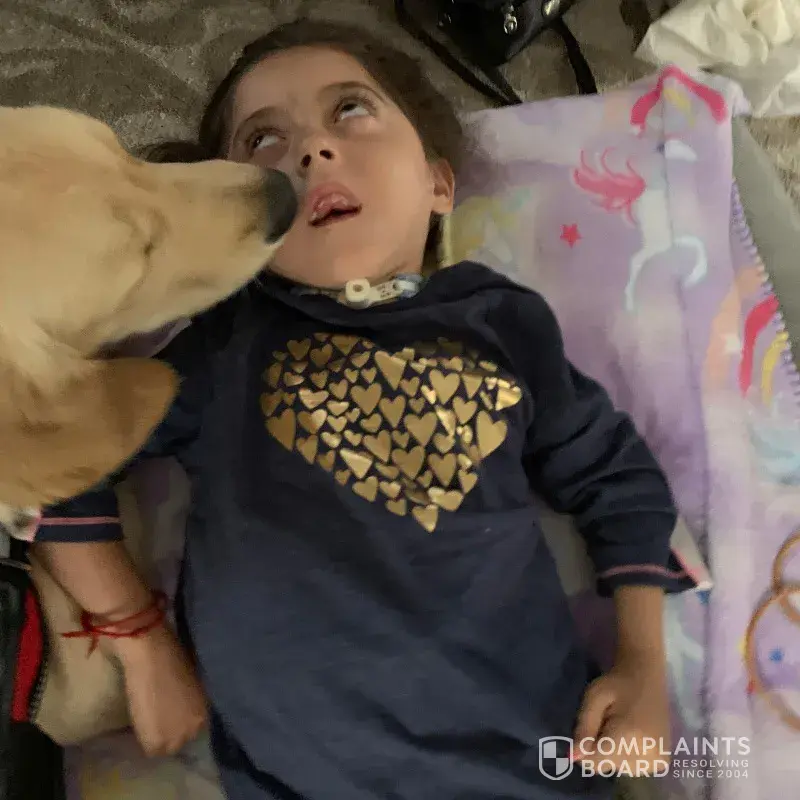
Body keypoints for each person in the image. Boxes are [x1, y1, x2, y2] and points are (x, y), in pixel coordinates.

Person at [32, 19, 690, 800]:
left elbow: (617, 480)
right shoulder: (228, 347)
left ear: (439, 183)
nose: (312, 150)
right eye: (264, 141)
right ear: (240, 224)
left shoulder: (501, 323)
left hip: (527, 764)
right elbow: (55, 458)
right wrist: (141, 641)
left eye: (350, 111)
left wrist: (643, 665)